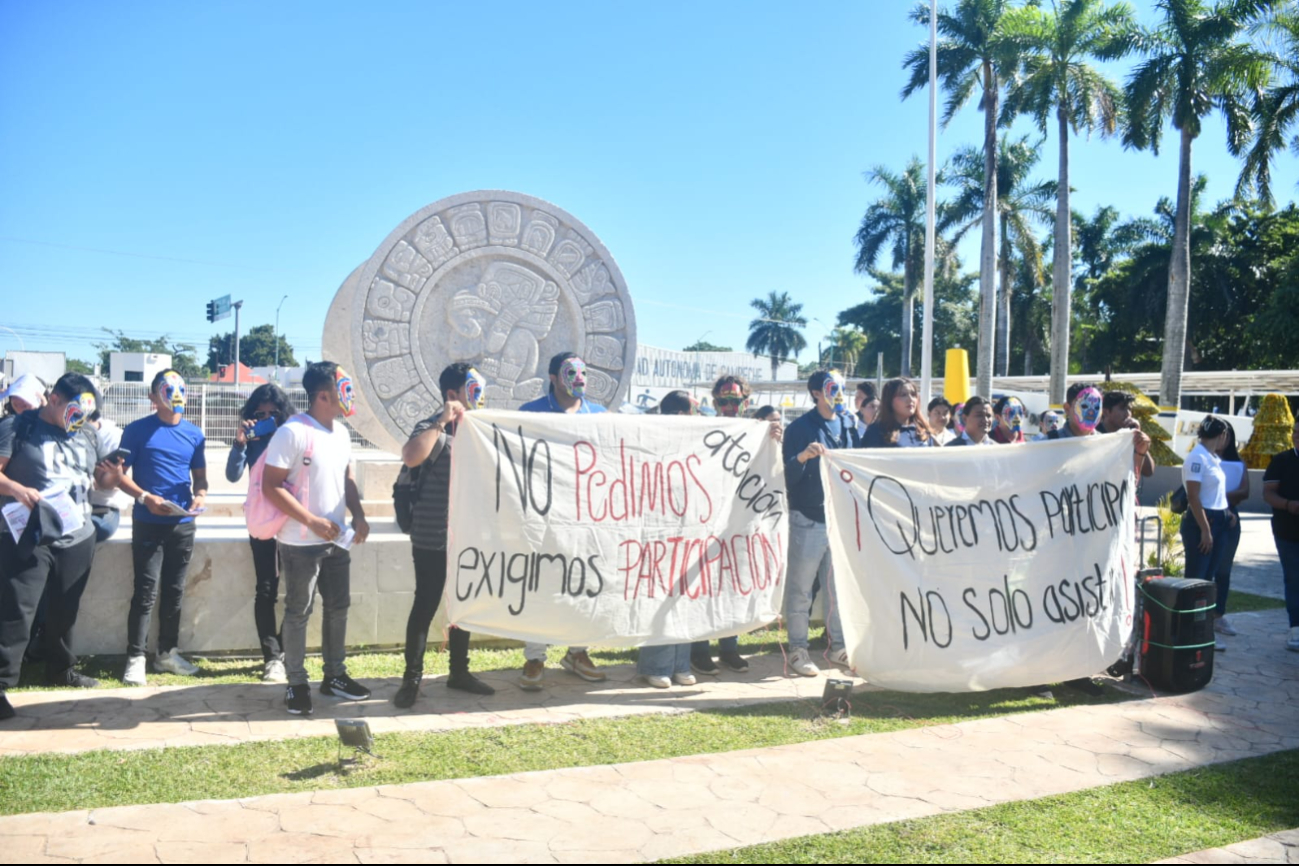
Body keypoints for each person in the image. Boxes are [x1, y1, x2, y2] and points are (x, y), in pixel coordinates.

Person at [0, 374, 118, 719]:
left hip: (78, 532)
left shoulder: (86, 432)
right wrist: (17, 490)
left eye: (83, 412)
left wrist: (113, 473)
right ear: (52, 399)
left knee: (66, 609)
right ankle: (2, 684)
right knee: (16, 612)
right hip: (30, 534)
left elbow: (99, 481)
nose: (76, 418)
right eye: (72, 409)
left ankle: (61, 669)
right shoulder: (17, 427)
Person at [262, 361, 372, 715]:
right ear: (323, 394)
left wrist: (359, 514)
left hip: (336, 541)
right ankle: (296, 683)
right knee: (298, 611)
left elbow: (347, 477)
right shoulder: (292, 432)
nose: (348, 395)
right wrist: (311, 521)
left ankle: (334, 676)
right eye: (343, 389)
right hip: (299, 544)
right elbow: (271, 486)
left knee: (338, 608)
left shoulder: (340, 433)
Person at [394, 363, 496, 708]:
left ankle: (459, 672)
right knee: (425, 605)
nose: (479, 395)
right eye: (472, 388)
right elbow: (410, 457)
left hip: (469, 536)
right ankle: (412, 680)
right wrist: (442, 420)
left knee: (463, 606)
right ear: (453, 394)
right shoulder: (430, 427)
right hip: (431, 536)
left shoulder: (481, 429)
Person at [516, 352, 607, 689]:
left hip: (586, 514)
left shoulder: (599, 415)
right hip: (542, 513)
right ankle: (534, 656)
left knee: (582, 582)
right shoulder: (531, 413)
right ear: (553, 377)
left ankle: (577, 651)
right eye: (571, 371)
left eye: (584, 370)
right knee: (539, 582)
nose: (579, 377)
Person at [114, 370, 208, 685]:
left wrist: (200, 496)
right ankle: (136, 657)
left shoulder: (195, 434)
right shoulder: (137, 431)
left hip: (182, 524)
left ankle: (166, 653)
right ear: (153, 397)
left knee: (175, 591)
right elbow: (119, 474)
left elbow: (201, 479)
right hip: (148, 523)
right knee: (145, 590)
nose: (175, 392)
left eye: (181, 387)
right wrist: (144, 497)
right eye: (167, 388)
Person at [690, 375, 782, 676]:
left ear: (746, 401)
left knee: (734, 585)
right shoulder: (703, 430)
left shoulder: (757, 431)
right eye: (724, 400)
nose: (730, 406)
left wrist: (773, 441)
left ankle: (729, 648)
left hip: (741, 521)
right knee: (705, 587)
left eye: (736, 400)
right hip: (707, 520)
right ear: (715, 402)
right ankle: (700, 650)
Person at [781, 370, 855, 676]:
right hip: (808, 518)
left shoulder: (848, 423)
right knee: (801, 588)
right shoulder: (799, 427)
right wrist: (801, 458)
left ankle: (837, 645)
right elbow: (783, 474)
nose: (837, 392)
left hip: (839, 518)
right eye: (830, 387)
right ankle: (798, 648)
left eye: (840, 387)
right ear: (815, 392)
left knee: (838, 587)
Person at [226, 383, 293, 683]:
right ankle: (272, 657)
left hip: (292, 519)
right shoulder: (252, 439)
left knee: (300, 590)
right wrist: (240, 443)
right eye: (260, 413)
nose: (266, 417)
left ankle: (287, 647)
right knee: (266, 589)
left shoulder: (292, 435)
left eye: (273, 413)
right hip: (262, 521)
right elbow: (231, 475)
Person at [638, 390, 700, 688]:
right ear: (679, 415)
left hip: (688, 527)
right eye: (692, 413)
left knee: (684, 596)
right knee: (660, 595)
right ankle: (655, 665)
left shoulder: (695, 441)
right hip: (658, 529)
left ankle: (680, 664)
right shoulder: (653, 439)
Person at [1181, 418, 1233, 606]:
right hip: (1203, 519)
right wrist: (1205, 529)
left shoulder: (1212, 458)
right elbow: (1194, 497)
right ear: (1222, 435)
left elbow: (1214, 492)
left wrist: (1227, 512)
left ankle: (1200, 623)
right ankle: (1187, 625)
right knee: (1196, 577)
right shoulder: (1198, 457)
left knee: (1207, 578)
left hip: (1218, 518)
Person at [1261, 417, 1299, 652]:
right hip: (1287, 532)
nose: (1296, 435)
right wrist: (1288, 505)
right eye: (1295, 431)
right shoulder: (1281, 461)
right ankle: (1296, 628)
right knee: (1294, 578)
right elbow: (1268, 493)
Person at [1211, 424, 1249, 649]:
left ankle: (1219, 614)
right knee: (1207, 569)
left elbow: (1245, 491)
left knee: (1224, 570)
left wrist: (1220, 495)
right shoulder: (1204, 460)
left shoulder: (1238, 463)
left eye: (1226, 436)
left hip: (1230, 518)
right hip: (1209, 517)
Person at [860, 378, 934, 449]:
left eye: (913, 394)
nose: (910, 399)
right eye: (903, 395)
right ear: (889, 400)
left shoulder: (922, 430)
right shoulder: (877, 431)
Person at [1096, 391, 1155, 481]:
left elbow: (1148, 471)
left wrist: (1138, 437)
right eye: (1122, 408)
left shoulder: (1129, 435)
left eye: (1129, 409)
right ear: (1106, 412)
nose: (1128, 414)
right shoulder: (1094, 435)